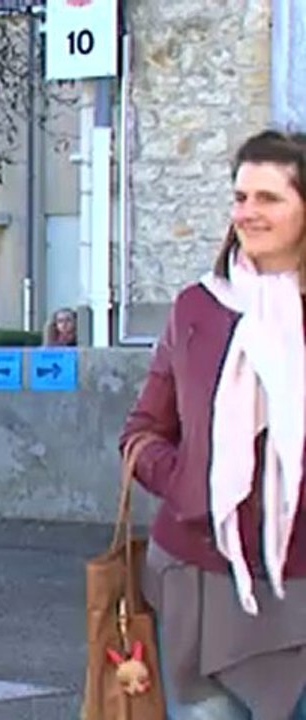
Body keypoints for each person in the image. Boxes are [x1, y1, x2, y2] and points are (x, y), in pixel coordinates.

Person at [121, 129, 306, 720]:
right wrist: (190, 482)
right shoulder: (198, 308)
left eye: (269, 198)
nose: (248, 213)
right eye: (240, 197)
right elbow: (142, 431)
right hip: (201, 575)